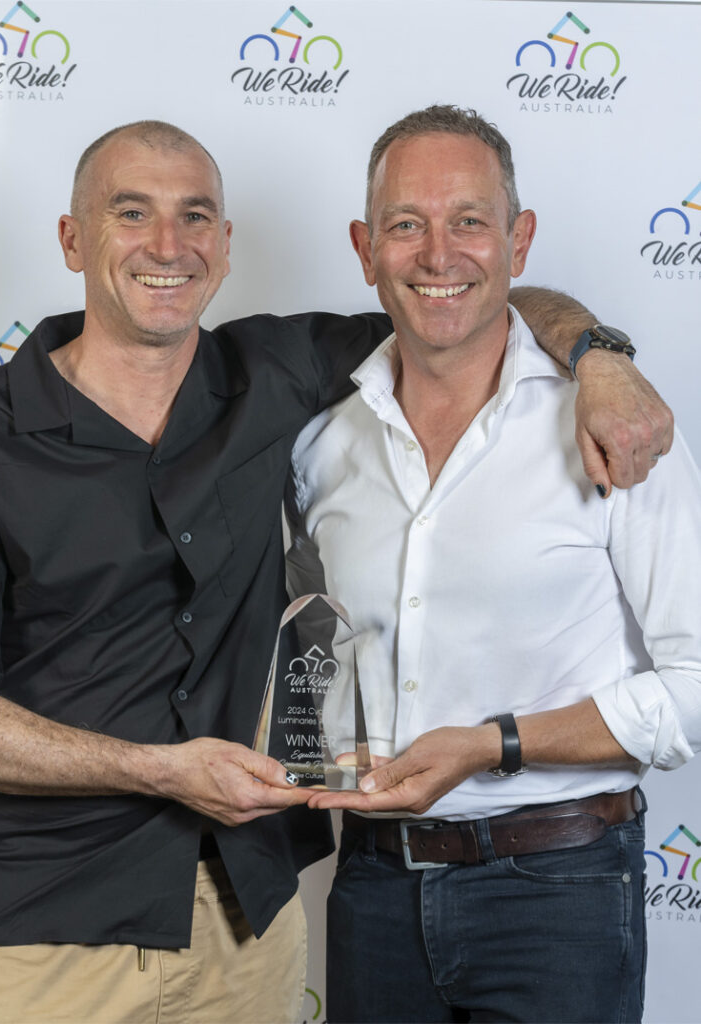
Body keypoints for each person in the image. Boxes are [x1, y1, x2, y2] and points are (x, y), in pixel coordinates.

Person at [0, 119, 674, 1024]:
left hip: (254, 920)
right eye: (132, 213)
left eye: (196, 216)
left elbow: (468, 306)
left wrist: (601, 358)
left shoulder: (281, 373)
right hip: (47, 927)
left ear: (226, 244)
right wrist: (162, 770)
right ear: (72, 238)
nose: (168, 246)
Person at [287, 105, 701, 1023]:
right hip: (372, 888)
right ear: (364, 248)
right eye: (406, 224)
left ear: (518, 238)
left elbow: (695, 682)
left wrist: (493, 743)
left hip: (559, 894)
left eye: (469, 221)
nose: (439, 254)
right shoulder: (321, 443)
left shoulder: (616, 426)